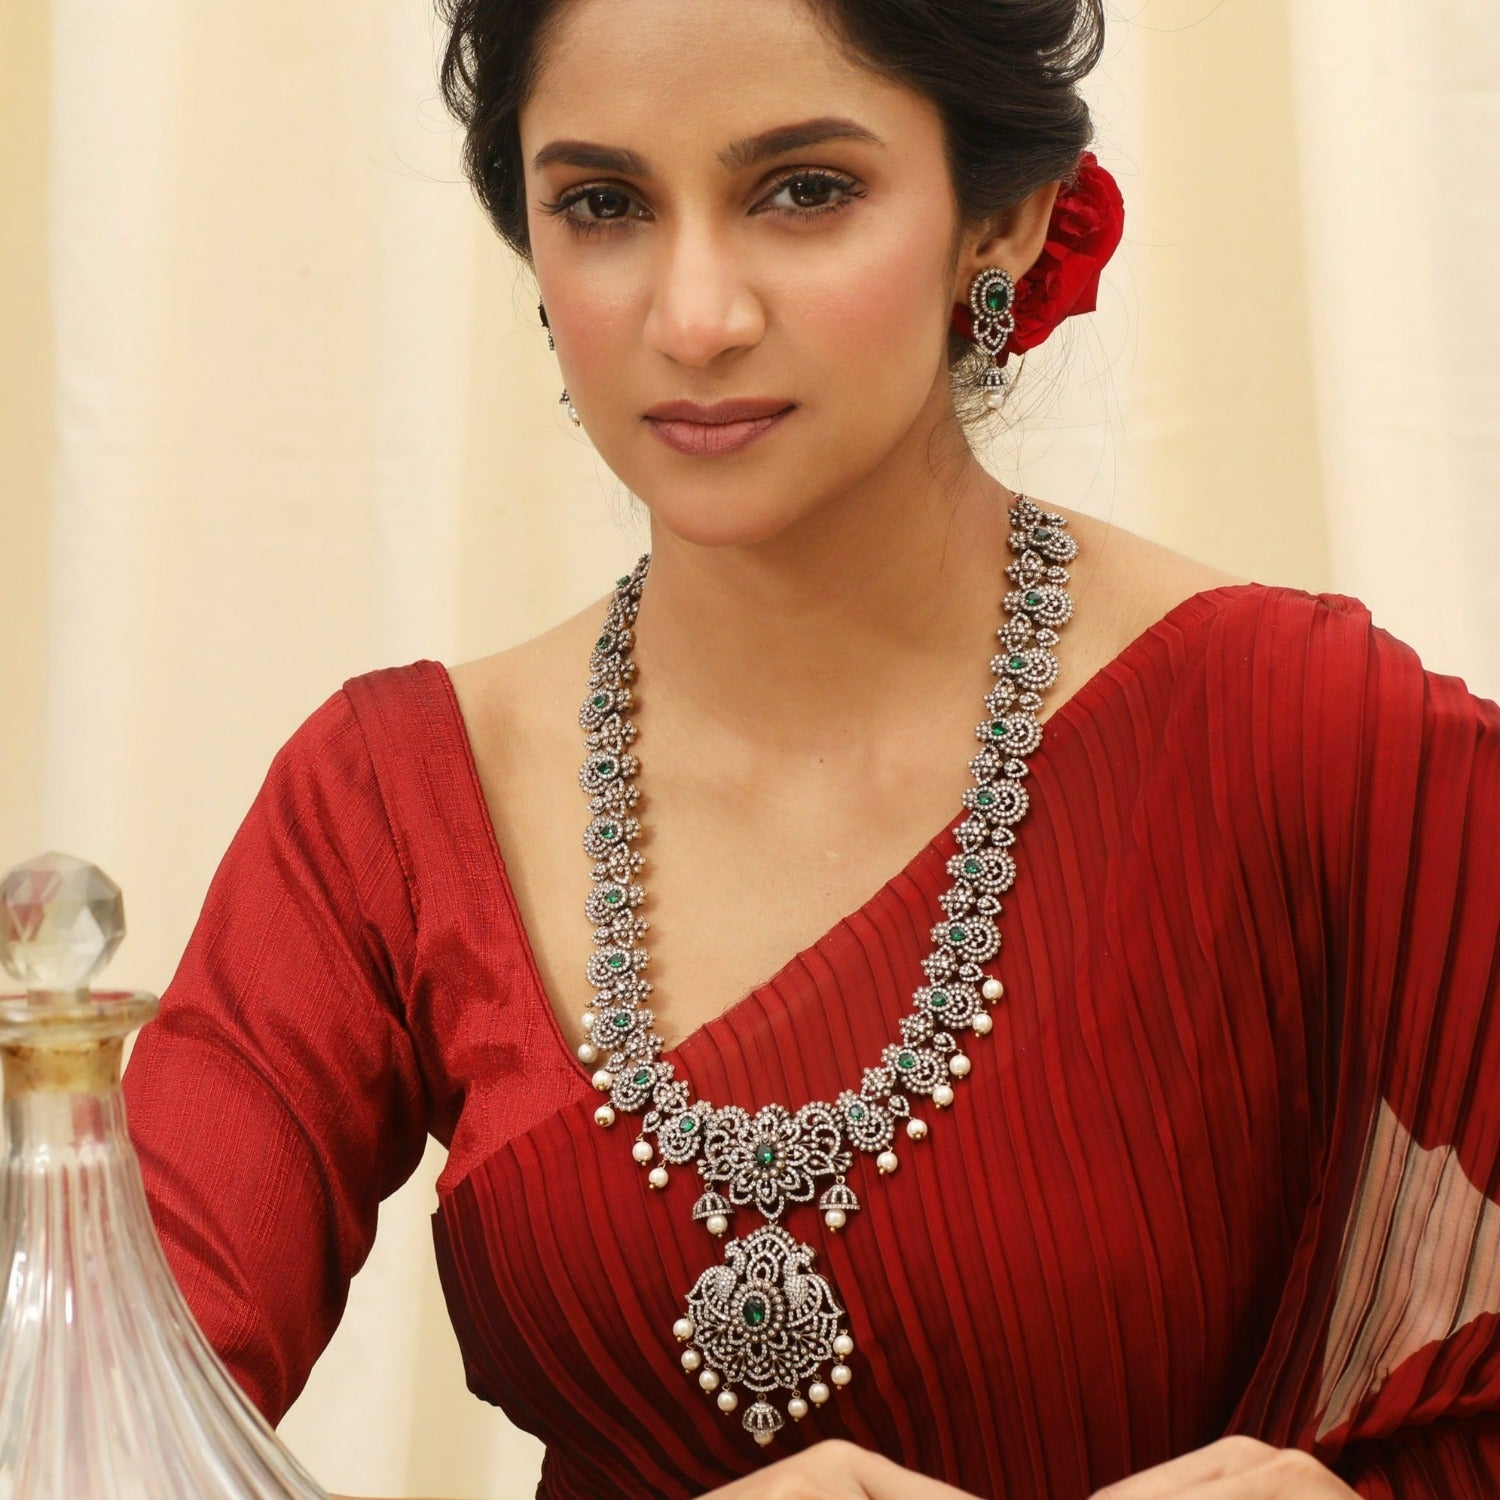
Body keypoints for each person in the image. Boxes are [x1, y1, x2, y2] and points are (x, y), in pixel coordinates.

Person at [121, 0, 1500, 1496]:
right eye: (603, 206)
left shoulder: (1283, 728)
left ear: (1007, 216)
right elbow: (87, 1429)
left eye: (805, 191)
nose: (695, 314)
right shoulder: (391, 809)